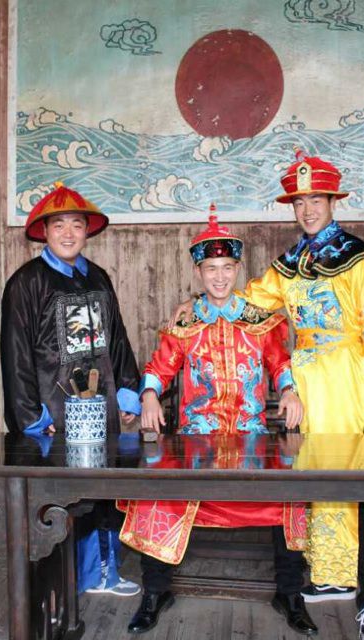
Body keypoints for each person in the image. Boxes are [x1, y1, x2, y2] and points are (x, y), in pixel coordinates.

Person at [173, 152, 364, 640]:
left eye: (316, 200)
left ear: (332, 201)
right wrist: (198, 304)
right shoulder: (292, 262)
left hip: (345, 374)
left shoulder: (359, 258)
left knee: (355, 476)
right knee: (311, 475)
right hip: (304, 377)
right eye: (299, 202)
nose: (308, 209)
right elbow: (250, 299)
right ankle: (331, 572)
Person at [119, 213, 317, 636]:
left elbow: (280, 364)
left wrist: (289, 391)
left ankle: (290, 593)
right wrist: (149, 395)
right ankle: (155, 591)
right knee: (155, 489)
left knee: (292, 493)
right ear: (199, 272)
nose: (220, 277)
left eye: (227, 267)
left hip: (251, 440)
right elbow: (158, 368)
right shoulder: (186, 323)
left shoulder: (260, 320)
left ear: (238, 268)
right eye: (211, 268)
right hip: (197, 443)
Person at [0, 181, 141, 596]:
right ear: (44, 231)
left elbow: (117, 338)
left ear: (86, 230)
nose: (67, 233)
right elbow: (15, 353)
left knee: (105, 488)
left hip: (100, 407)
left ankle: (105, 572)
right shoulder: (26, 282)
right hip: (55, 413)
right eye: (58, 224)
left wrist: (127, 390)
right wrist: (30, 416)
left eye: (76, 224)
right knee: (63, 497)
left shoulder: (98, 277)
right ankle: (67, 581)